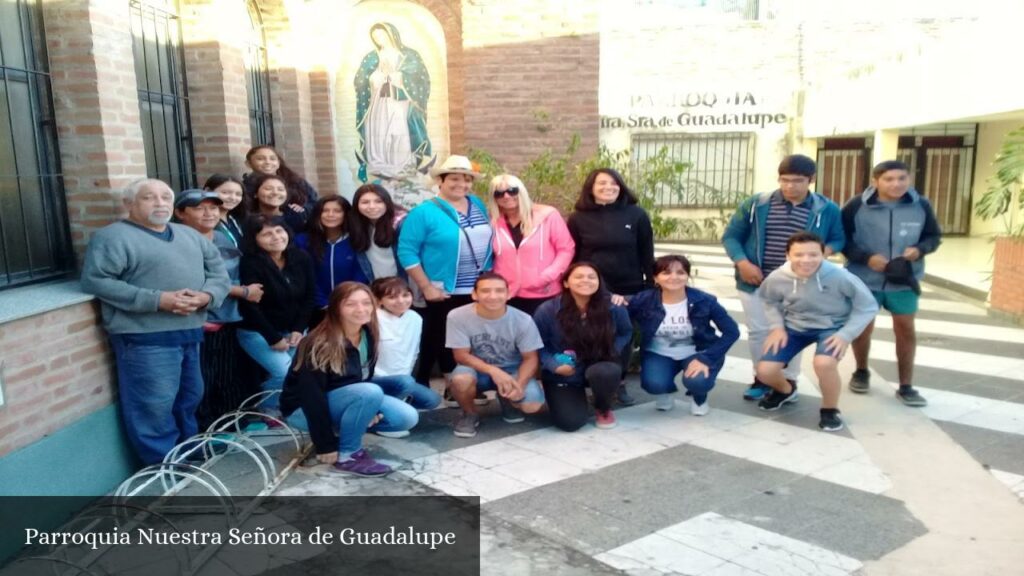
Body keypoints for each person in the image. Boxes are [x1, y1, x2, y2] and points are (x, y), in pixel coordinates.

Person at [81, 178, 230, 465]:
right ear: (129, 204)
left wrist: (205, 297)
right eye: (149, 197)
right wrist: (158, 300)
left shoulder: (190, 235)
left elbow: (218, 274)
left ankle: (187, 449)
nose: (160, 203)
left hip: (189, 330)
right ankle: (164, 464)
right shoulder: (112, 237)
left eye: (165, 197)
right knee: (154, 404)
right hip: (144, 337)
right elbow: (97, 281)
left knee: (189, 396)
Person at [721, 154, 845, 402]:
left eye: (797, 181)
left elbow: (838, 239)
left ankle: (787, 379)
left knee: (792, 331)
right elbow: (731, 236)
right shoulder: (757, 204)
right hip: (755, 280)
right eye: (784, 180)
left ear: (811, 179)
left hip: (798, 285)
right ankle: (762, 377)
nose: (790, 186)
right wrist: (743, 263)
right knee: (758, 331)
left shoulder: (826, 209)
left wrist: (818, 255)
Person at [281, 282, 418, 476]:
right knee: (370, 391)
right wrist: (325, 444)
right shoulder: (319, 342)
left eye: (366, 303)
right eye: (350, 304)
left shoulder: (367, 332)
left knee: (406, 416)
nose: (360, 309)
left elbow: (361, 377)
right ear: (336, 307)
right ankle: (348, 455)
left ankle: (352, 424)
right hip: (302, 409)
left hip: (345, 395)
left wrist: (372, 408)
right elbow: (311, 395)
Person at [842, 160, 942, 406]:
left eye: (902, 178)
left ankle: (906, 385)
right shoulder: (856, 205)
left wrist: (919, 249)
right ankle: (861, 371)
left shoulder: (921, 205)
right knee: (863, 328)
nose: (896, 184)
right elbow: (842, 239)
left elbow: (933, 236)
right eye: (889, 179)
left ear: (909, 179)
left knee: (906, 329)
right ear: (875, 181)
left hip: (904, 279)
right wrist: (866, 258)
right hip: (865, 279)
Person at [756, 232, 878, 432]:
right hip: (794, 327)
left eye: (813, 255)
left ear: (823, 255)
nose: (806, 260)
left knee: (824, 363)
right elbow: (769, 300)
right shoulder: (778, 277)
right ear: (787, 256)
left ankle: (830, 409)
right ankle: (786, 390)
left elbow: (868, 306)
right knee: (765, 371)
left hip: (831, 327)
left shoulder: (840, 276)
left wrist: (845, 335)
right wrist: (776, 327)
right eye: (799, 254)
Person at [397, 155, 493, 389]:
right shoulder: (423, 212)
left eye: (467, 179)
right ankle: (421, 382)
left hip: (477, 285)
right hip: (444, 287)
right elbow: (407, 251)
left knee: (467, 337)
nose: (461, 184)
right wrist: (426, 287)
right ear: (440, 180)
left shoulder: (477, 205)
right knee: (438, 334)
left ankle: (458, 386)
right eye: (455, 178)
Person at [173, 189, 264, 430]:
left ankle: (230, 425)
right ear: (180, 213)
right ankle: (206, 431)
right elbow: (197, 282)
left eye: (213, 208)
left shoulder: (222, 237)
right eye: (199, 208)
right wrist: (243, 291)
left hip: (228, 319)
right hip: (200, 321)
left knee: (227, 376)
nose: (208, 213)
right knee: (202, 382)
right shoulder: (178, 242)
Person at [567, 167, 655, 406]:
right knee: (594, 333)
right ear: (591, 189)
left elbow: (647, 253)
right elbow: (574, 256)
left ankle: (619, 381)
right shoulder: (577, 219)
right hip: (591, 289)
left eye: (614, 183)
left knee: (623, 337)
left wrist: (649, 286)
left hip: (629, 288)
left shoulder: (636, 215)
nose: (609, 187)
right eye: (602, 184)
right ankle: (589, 379)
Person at [630, 255, 739, 416]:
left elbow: (732, 331)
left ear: (687, 276)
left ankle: (699, 397)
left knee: (698, 381)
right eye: (666, 273)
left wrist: (707, 358)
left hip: (698, 353)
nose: (674, 277)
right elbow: (621, 309)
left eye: (680, 273)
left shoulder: (704, 300)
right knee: (654, 383)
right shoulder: (644, 300)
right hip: (659, 353)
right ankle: (664, 391)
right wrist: (617, 299)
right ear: (655, 278)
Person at [533, 263, 633, 432]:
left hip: (600, 364)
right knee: (570, 423)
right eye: (579, 277)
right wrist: (553, 366)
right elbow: (537, 344)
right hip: (565, 370)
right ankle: (569, 398)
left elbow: (626, 332)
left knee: (605, 372)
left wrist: (612, 351)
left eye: (591, 277)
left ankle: (603, 407)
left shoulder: (613, 306)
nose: (586, 280)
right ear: (566, 283)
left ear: (599, 282)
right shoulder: (548, 310)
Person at [446, 273, 545, 437]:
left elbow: (531, 358)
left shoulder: (523, 320)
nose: (493, 296)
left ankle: (507, 399)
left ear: (508, 294)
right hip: (477, 370)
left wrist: (519, 385)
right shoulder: (457, 316)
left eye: (499, 291)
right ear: (474, 294)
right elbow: (461, 356)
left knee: (531, 405)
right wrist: (494, 371)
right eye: (485, 291)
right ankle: (469, 414)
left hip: (512, 370)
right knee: (461, 380)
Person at [237, 215, 316, 419]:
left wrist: (299, 330)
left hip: (294, 331)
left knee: (296, 373)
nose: (275, 237)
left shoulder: (301, 257)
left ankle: (284, 407)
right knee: (284, 373)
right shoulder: (250, 263)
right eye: (267, 233)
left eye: (279, 231)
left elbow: (309, 296)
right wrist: (273, 337)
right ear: (255, 239)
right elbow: (250, 307)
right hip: (258, 332)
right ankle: (268, 408)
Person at [354, 22, 432, 182]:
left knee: (398, 129)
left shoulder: (408, 55)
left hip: (399, 101)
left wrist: (399, 76)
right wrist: (375, 76)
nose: (379, 39)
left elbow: (420, 77)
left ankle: (402, 164)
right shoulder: (371, 57)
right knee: (377, 130)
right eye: (375, 37)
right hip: (378, 102)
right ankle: (378, 163)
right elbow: (360, 80)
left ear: (390, 34)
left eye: (381, 35)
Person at [489, 174, 575, 316]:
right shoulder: (493, 222)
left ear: (521, 191)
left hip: (543, 293)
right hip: (507, 294)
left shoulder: (548, 215)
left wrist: (548, 276)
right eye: (499, 193)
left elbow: (566, 249)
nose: (506, 196)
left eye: (512, 191)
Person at [370, 276, 442, 432]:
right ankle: (379, 419)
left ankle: (393, 405)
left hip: (402, 378)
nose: (401, 301)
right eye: (392, 297)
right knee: (406, 383)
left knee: (432, 400)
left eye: (405, 295)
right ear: (379, 300)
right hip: (376, 380)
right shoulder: (373, 319)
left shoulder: (415, 318)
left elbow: (413, 352)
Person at [295, 196, 368, 327]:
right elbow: (305, 276)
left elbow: (360, 274)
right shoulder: (303, 241)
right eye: (325, 210)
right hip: (315, 308)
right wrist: (323, 303)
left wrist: (346, 301)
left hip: (351, 306)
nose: (330, 215)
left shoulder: (357, 239)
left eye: (337, 211)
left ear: (346, 214)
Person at [348, 183, 408, 282]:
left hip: (403, 287)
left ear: (387, 203)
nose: (372, 206)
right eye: (365, 202)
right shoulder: (358, 225)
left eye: (378, 201)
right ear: (357, 205)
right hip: (377, 287)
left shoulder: (401, 224)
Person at [244, 144, 318, 212]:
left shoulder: (295, 181)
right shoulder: (246, 186)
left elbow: (314, 202)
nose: (267, 162)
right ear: (248, 163)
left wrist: (304, 208)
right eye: (260, 159)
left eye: (272, 159)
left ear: (278, 163)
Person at [203, 174, 246, 248]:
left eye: (238, 194)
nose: (233, 198)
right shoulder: (204, 221)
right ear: (208, 191)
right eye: (225, 193)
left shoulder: (239, 218)